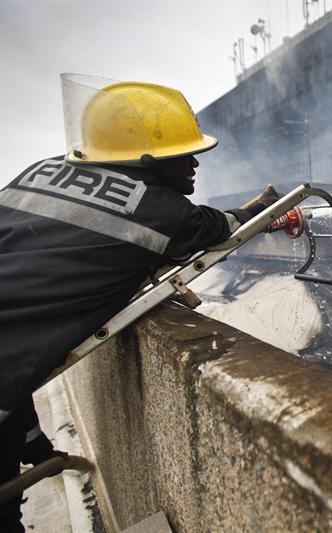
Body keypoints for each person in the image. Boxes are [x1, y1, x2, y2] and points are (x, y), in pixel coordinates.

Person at [0, 78, 277, 531]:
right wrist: (264, 209)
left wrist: (32, 446)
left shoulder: (40, 172)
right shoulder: (160, 212)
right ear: (147, 162)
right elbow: (219, 227)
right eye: (184, 156)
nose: (194, 164)